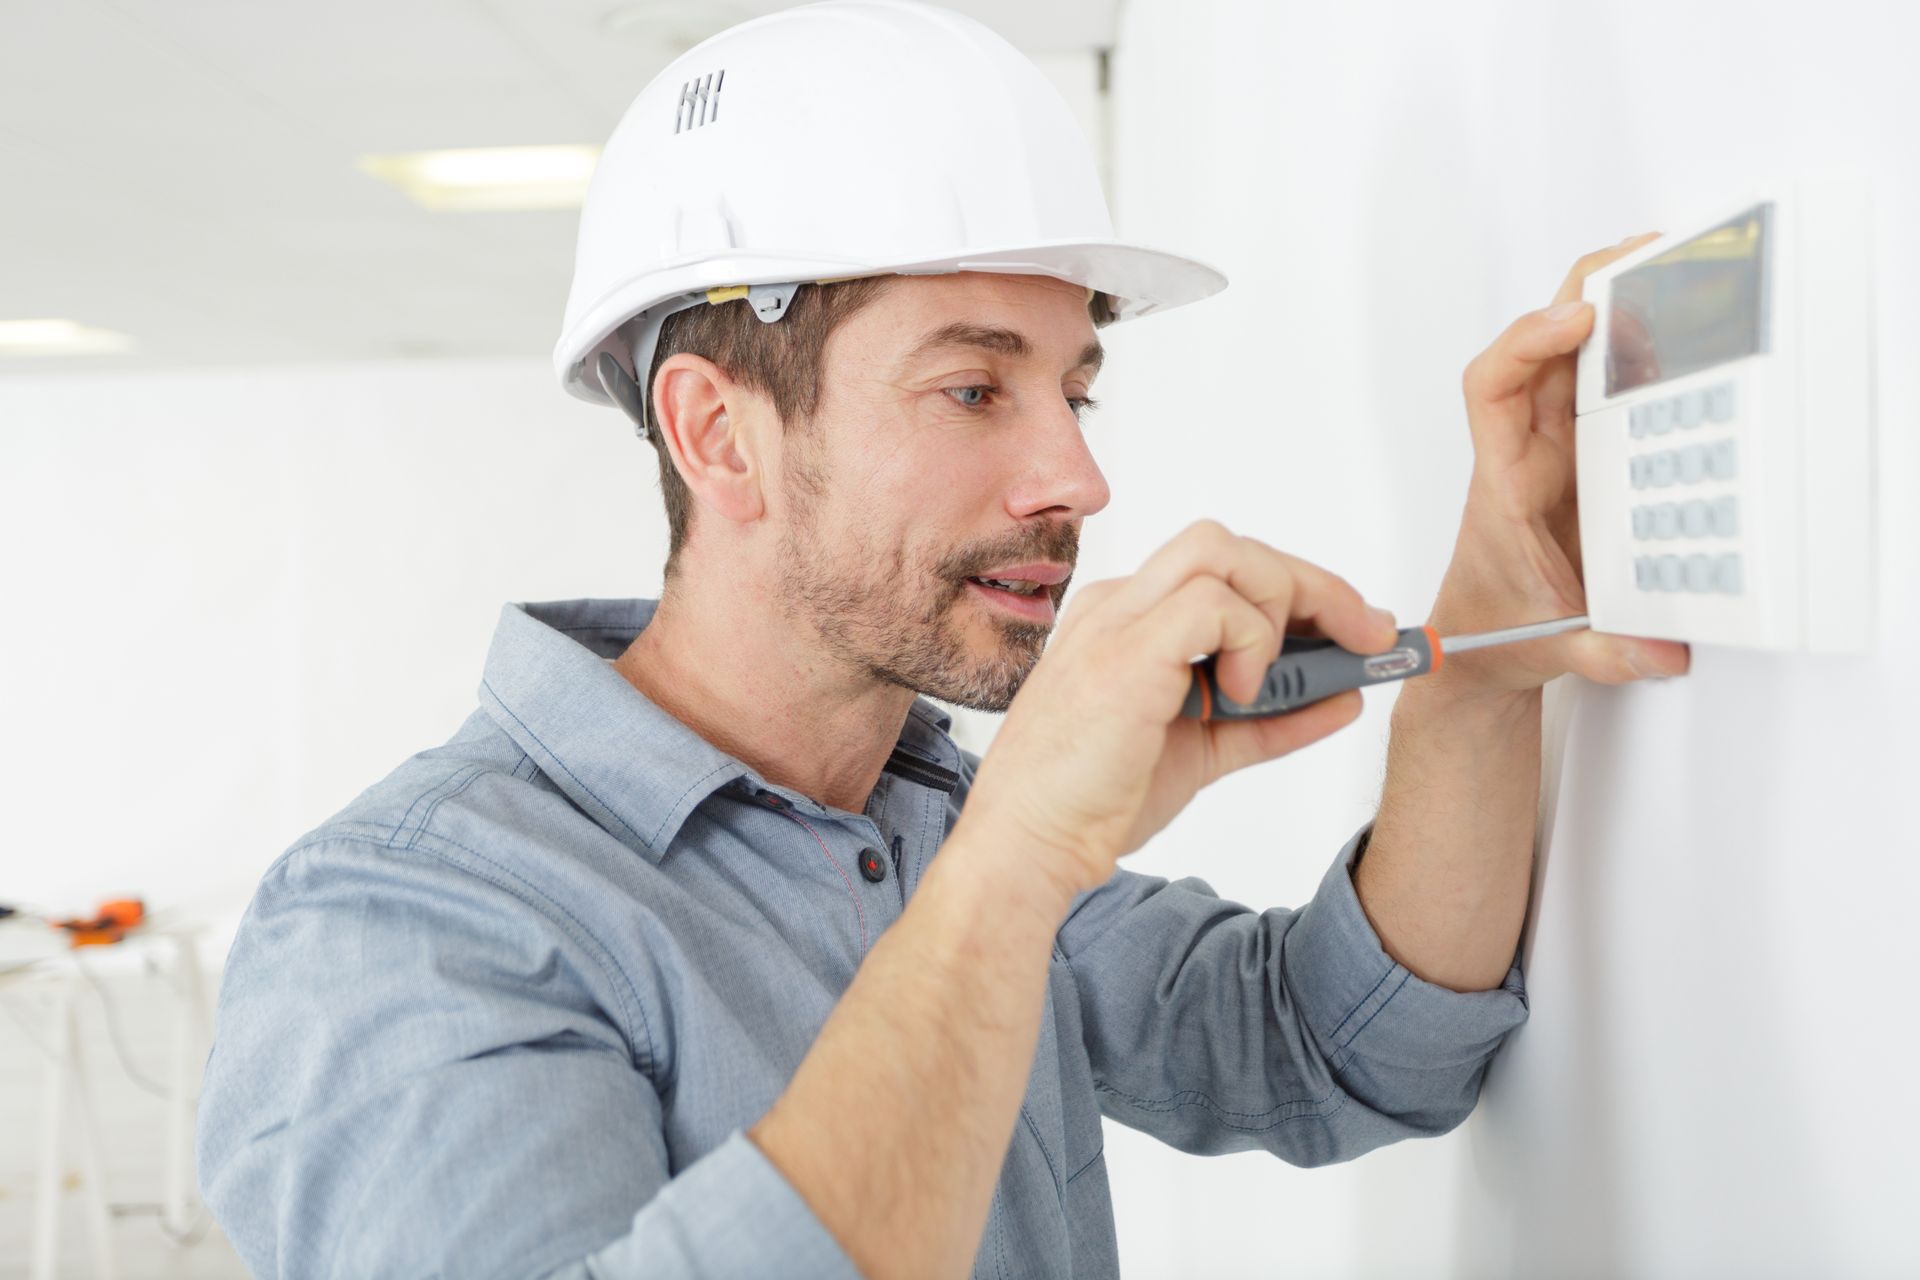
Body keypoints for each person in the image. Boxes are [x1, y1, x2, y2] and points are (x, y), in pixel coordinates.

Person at [195, 2, 1690, 1276]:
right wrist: (1021, 859)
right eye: (975, 390)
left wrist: (1483, 661)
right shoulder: (402, 922)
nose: (1079, 479)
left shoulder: (922, 826)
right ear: (720, 433)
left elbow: (1342, 1048)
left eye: (1075, 390)